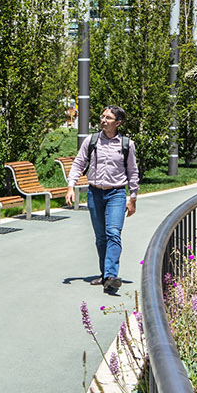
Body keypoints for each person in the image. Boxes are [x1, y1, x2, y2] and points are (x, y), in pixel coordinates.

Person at [64, 106, 139, 296]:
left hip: (116, 194)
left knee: (113, 232)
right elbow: (79, 163)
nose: (103, 120)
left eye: (108, 118)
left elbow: (132, 171)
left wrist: (133, 197)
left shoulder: (126, 144)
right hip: (95, 193)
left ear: (118, 122)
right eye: (103, 117)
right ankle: (105, 274)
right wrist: (71, 186)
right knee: (100, 237)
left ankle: (111, 276)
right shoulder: (92, 140)